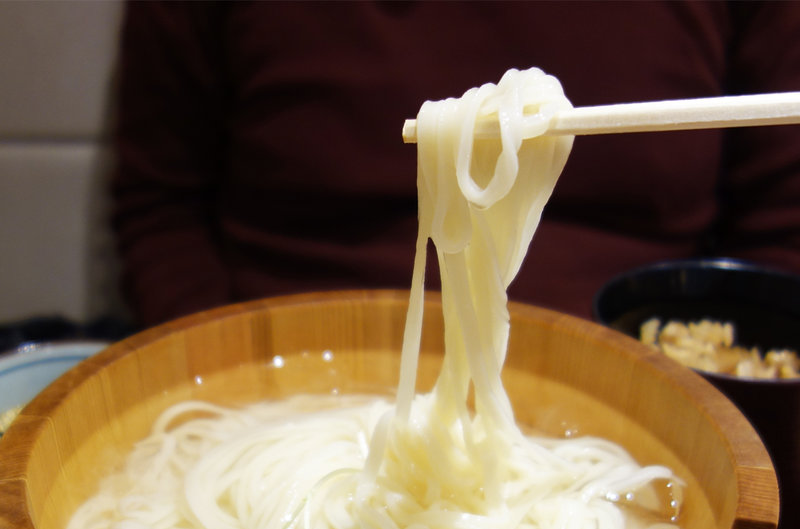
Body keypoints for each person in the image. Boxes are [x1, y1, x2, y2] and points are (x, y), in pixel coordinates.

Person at [110, 0, 800, 329]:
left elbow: (781, 236)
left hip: (642, 391)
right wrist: (233, 385)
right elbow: (162, 206)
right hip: (282, 376)